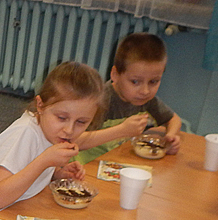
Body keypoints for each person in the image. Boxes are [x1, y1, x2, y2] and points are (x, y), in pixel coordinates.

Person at [0, 61, 106, 220]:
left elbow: (26, 171)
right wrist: (44, 161)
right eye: (62, 118)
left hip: (24, 210)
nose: (69, 130)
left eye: (81, 122)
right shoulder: (24, 134)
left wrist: (57, 173)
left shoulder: (51, 132)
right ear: (41, 106)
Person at [75, 32, 183, 164]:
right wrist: (121, 130)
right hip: (86, 165)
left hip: (117, 162)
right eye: (135, 82)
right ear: (115, 74)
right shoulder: (99, 100)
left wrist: (170, 137)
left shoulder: (147, 100)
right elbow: (75, 140)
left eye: (153, 82)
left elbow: (173, 119)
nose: (145, 91)